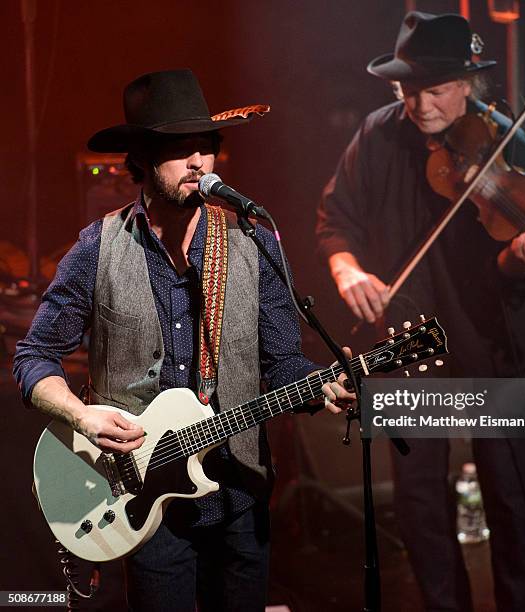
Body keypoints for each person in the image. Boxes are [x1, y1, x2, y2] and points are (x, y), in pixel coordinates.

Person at [14, 69, 353, 612]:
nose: (198, 162)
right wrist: (83, 416)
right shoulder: (97, 249)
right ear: (145, 158)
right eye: (180, 149)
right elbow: (34, 357)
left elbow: (283, 361)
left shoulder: (253, 241)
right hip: (143, 507)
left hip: (240, 496)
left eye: (206, 147)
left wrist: (321, 387)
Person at [317, 12, 525, 612]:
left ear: (468, 85)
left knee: (512, 498)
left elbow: (506, 273)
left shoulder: (507, 139)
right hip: (403, 346)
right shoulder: (377, 135)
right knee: (422, 506)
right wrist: (348, 270)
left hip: (485, 345)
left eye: (434, 89)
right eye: (407, 88)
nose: (418, 103)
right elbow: (335, 222)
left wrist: (520, 260)